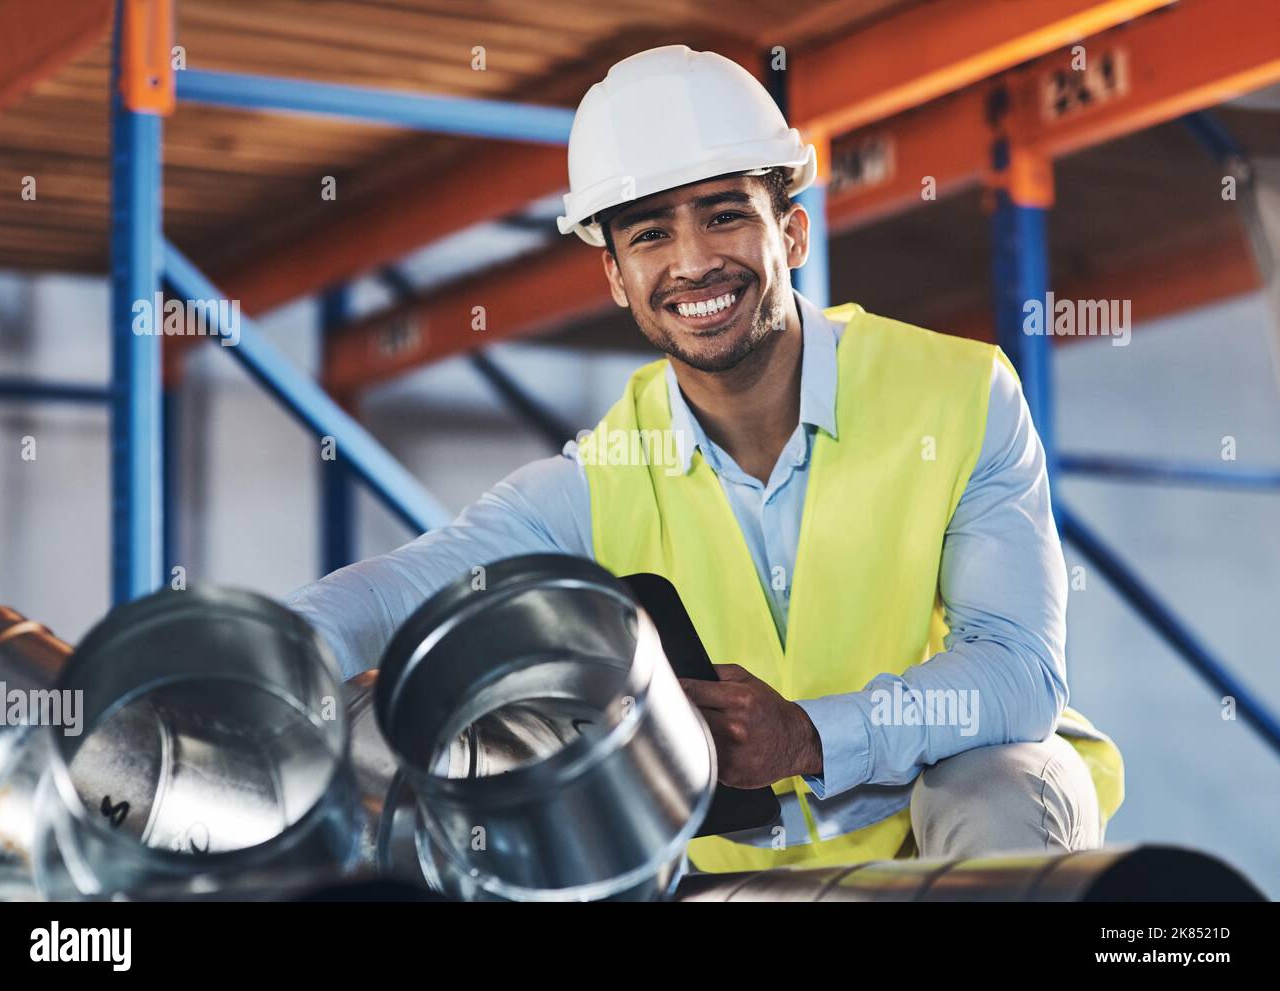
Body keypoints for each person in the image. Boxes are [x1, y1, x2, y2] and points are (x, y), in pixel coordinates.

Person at [286, 45, 1124, 872]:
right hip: (739, 862)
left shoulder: (959, 395)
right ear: (615, 275)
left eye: (724, 215)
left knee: (999, 791)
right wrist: (271, 657)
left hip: (941, 803)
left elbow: (1019, 669)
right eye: (650, 233)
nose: (692, 262)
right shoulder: (605, 472)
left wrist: (808, 732)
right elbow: (412, 583)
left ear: (790, 231)